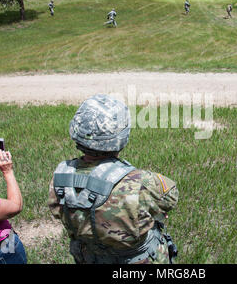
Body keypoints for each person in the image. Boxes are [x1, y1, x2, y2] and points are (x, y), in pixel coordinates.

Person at [48, 94, 179, 264]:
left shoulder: (60, 178)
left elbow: (59, 212)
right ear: (122, 136)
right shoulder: (141, 184)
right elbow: (170, 198)